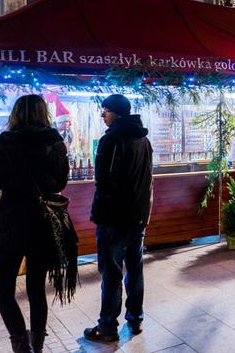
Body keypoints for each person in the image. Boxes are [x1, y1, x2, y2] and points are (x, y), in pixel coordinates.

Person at [0, 94, 70, 353]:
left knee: (4, 289)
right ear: (44, 113)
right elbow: (60, 183)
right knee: (36, 287)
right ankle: (37, 345)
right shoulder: (56, 143)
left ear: (14, 114)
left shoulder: (0, 146)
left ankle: (20, 343)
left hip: (10, 222)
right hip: (42, 223)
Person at [84, 94, 153, 343]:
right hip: (137, 217)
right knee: (135, 269)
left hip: (114, 218)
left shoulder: (111, 139)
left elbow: (103, 181)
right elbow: (148, 180)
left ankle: (108, 326)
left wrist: (103, 212)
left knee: (111, 272)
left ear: (118, 113)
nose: (103, 114)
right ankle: (135, 319)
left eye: (107, 110)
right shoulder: (143, 139)